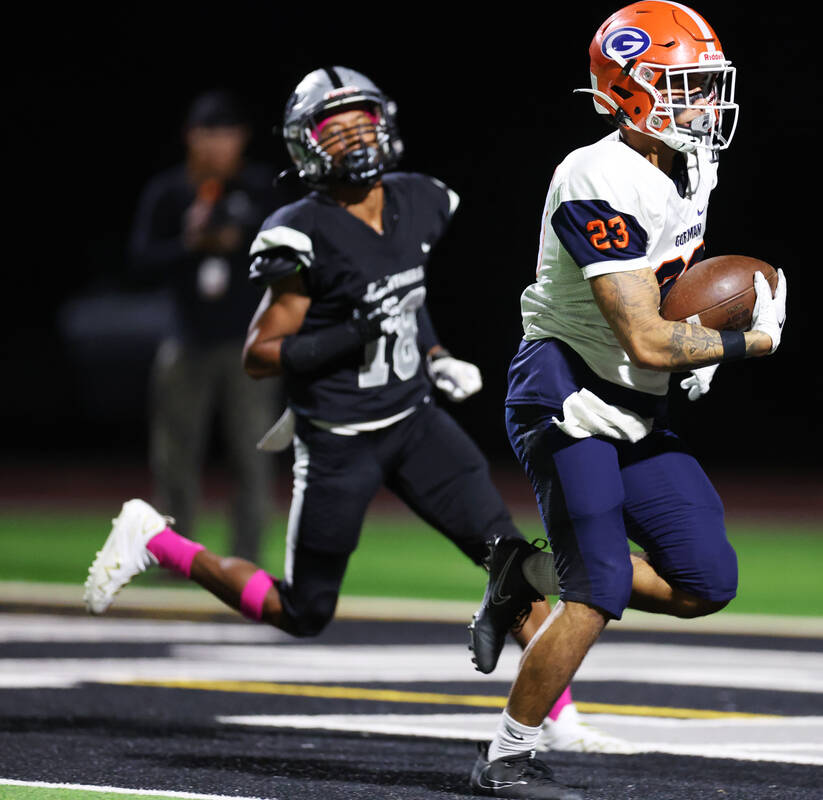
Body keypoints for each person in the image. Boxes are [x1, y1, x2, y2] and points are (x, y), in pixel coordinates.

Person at [84, 66, 615, 752]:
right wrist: (348, 335)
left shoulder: (418, 200)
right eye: (338, 127)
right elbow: (260, 353)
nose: (357, 136)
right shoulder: (300, 230)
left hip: (415, 421)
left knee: (507, 556)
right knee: (304, 611)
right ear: (307, 145)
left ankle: (556, 716)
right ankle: (155, 539)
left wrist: (433, 356)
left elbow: (404, 296)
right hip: (339, 439)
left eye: (365, 119)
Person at [465, 3, 787, 797]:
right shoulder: (594, 175)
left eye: (708, 86)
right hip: (567, 393)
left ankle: (522, 573)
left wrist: (699, 346)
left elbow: (672, 288)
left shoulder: (689, 165)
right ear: (627, 90)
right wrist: (745, 341)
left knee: (706, 582)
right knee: (600, 587)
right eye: (684, 88)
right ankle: (505, 756)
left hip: (638, 401)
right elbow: (645, 335)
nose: (703, 105)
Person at [128, 90, 283, 563]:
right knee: (173, 459)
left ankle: (246, 565)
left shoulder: (261, 188)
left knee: (253, 459)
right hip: (184, 340)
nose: (216, 145)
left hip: (248, 345)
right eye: (206, 133)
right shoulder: (169, 192)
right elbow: (140, 262)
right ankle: (173, 563)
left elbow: (289, 256)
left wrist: (240, 240)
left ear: (242, 139)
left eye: (226, 134)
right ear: (189, 137)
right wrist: (188, 241)